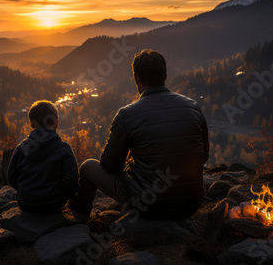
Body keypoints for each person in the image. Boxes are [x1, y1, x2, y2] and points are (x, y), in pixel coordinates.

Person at [70, 49, 209, 219]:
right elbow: (204, 156)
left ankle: (79, 216)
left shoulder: (127, 114)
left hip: (147, 206)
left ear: (136, 78)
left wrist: (131, 164)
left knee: (88, 167)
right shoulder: (192, 107)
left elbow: (108, 165)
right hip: (191, 204)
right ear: (165, 76)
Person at [8, 100, 79, 214]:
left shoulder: (22, 147)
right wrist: (66, 194)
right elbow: (72, 179)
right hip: (54, 204)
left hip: (26, 204)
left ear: (31, 125)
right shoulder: (63, 148)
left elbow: (11, 177)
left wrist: (25, 191)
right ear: (56, 123)